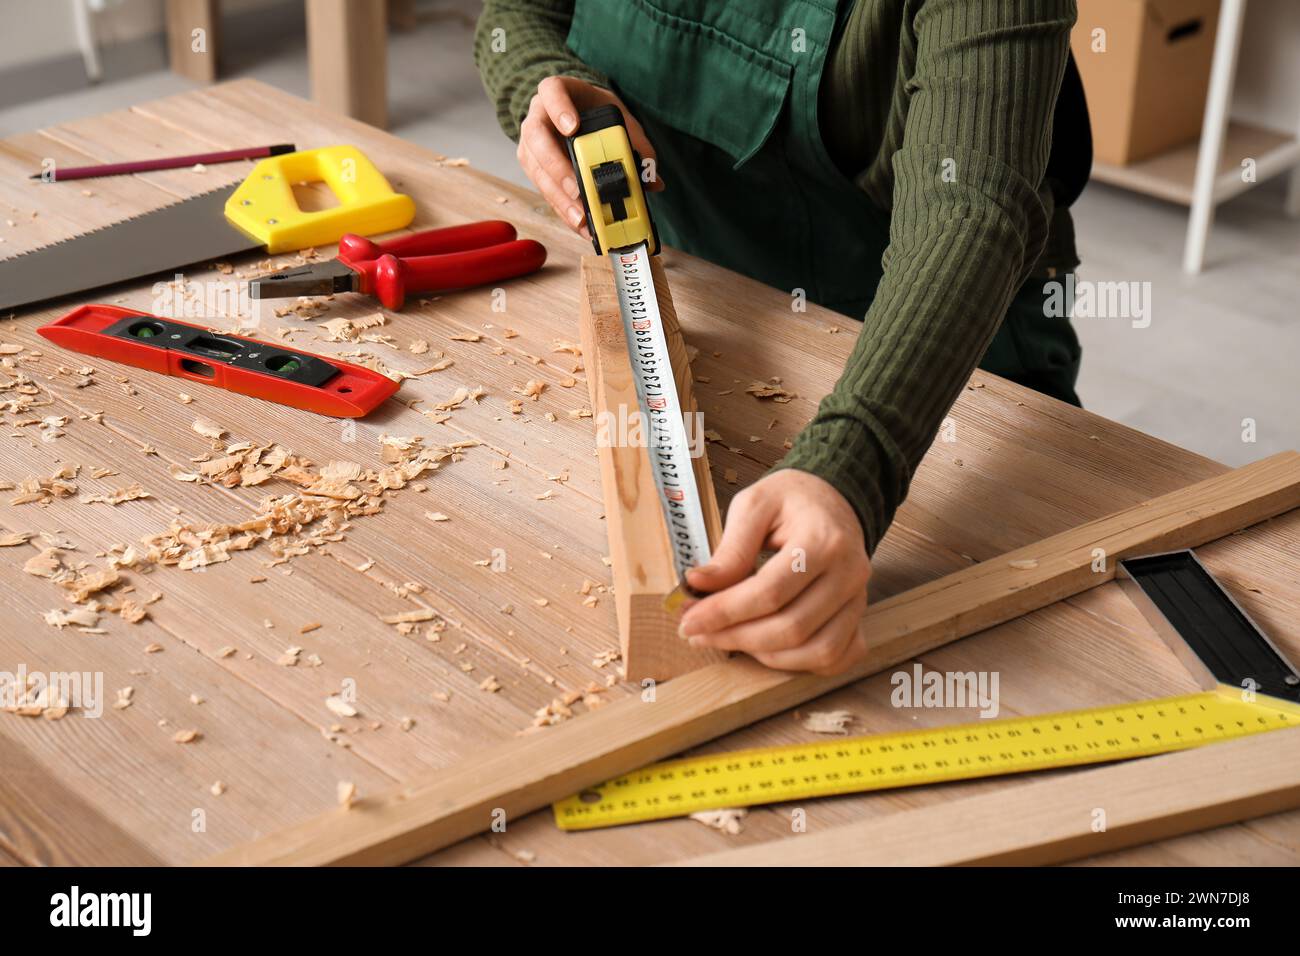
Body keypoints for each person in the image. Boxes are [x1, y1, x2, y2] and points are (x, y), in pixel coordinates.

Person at [474, 0, 1091, 675]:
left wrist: (852, 471)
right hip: (705, 287)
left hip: (942, 340)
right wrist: (547, 81)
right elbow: (519, 13)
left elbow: (969, 205)